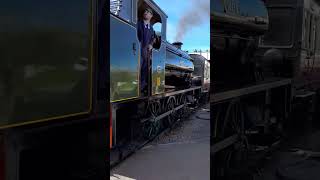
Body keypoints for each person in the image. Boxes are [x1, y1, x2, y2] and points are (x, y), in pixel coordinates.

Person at [137, 7, 155, 96]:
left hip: (147, 53)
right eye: (145, 11)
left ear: (151, 16)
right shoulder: (138, 24)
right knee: (138, 69)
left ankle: (142, 87)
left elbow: (153, 38)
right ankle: (137, 87)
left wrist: (151, 44)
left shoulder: (151, 28)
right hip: (138, 50)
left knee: (145, 70)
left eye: (148, 12)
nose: (145, 12)